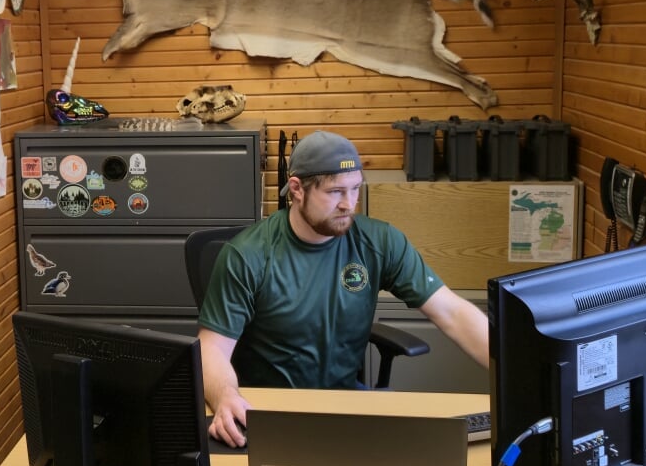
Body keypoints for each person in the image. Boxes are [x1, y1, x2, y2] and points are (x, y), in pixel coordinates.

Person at [197, 130, 491, 448]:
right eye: (336, 192)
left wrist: (515, 370)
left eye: (355, 189)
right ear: (296, 189)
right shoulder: (249, 255)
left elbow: (453, 312)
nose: (349, 205)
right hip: (269, 411)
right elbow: (211, 348)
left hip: (345, 404)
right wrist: (226, 396)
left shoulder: (379, 242)